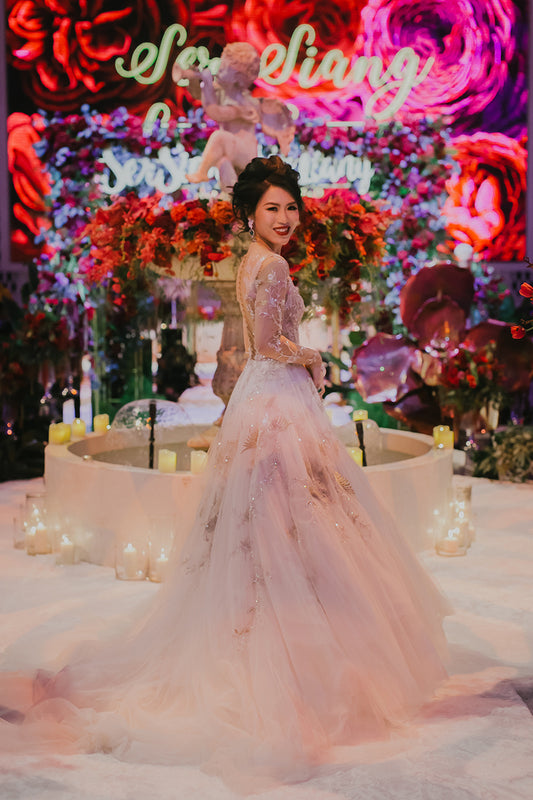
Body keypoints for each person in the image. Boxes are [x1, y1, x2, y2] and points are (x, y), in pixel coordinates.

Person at [0, 156, 448, 791]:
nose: (284, 218)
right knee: (294, 518)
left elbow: (260, 344)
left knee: (273, 523)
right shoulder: (273, 266)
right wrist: (313, 356)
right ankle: (296, 650)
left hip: (262, 397)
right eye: (272, 208)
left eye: (290, 208)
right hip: (276, 395)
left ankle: (279, 631)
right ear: (250, 214)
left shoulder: (252, 261)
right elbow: (269, 344)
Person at [174, 42, 295, 191]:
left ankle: (202, 172)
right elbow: (199, 95)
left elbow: (215, 112)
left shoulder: (247, 102)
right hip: (230, 150)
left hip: (245, 153)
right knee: (223, 163)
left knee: (219, 136)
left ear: (239, 76)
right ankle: (230, 196)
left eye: (224, 68)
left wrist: (207, 83)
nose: (219, 69)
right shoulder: (220, 92)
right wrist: (194, 79)